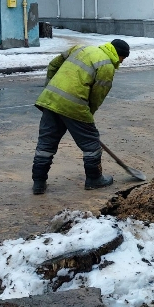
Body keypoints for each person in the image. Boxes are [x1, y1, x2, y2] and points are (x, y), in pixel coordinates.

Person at [31, 39, 130, 195]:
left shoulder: (80, 48)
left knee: (46, 143)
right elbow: (97, 96)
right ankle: (94, 179)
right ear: (120, 55)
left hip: (50, 99)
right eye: (123, 59)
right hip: (75, 105)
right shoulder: (107, 66)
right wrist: (87, 116)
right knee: (91, 143)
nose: (122, 62)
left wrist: (50, 91)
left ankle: (38, 183)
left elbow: (53, 65)